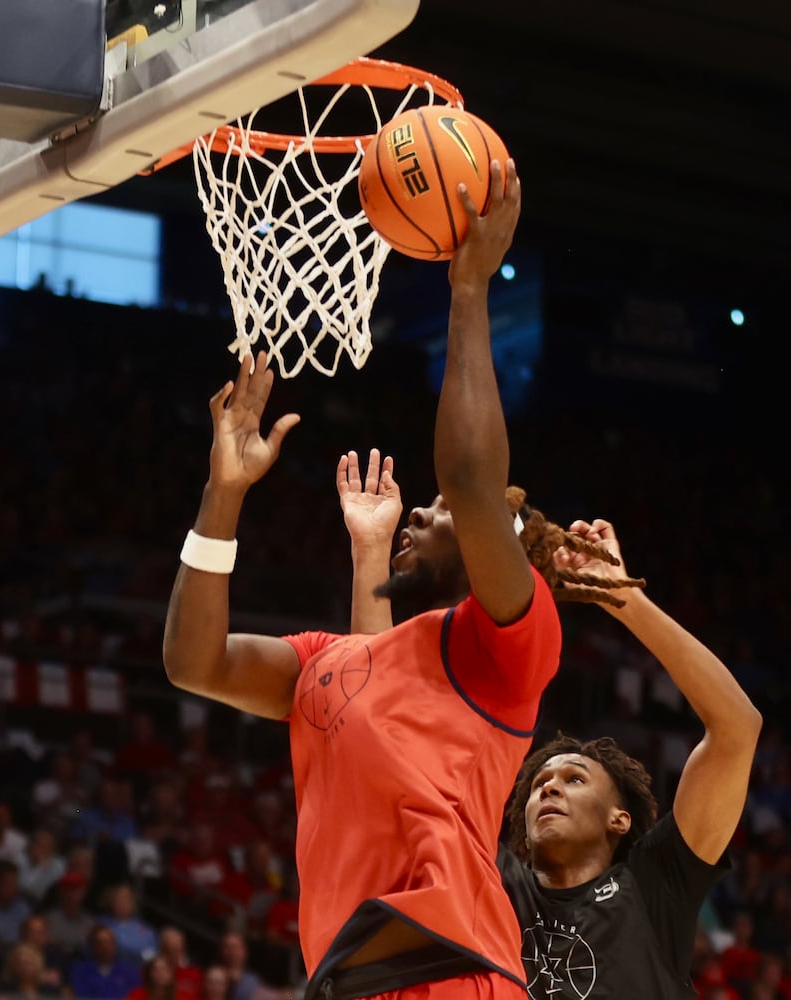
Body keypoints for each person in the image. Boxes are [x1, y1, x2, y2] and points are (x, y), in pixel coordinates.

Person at [164, 161, 587, 1000]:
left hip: (449, 968)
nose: (426, 513)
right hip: (348, 980)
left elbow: (469, 480)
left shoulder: (505, 650)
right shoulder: (329, 663)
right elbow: (193, 662)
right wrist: (224, 493)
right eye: (425, 510)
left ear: (487, 555)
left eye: (442, 516)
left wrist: (468, 291)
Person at [347, 511, 761, 1000]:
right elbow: (374, 739)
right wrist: (369, 556)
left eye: (575, 779)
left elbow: (737, 728)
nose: (549, 786)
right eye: (541, 781)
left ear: (620, 820)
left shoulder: (655, 885)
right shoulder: (491, 879)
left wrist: (624, 599)